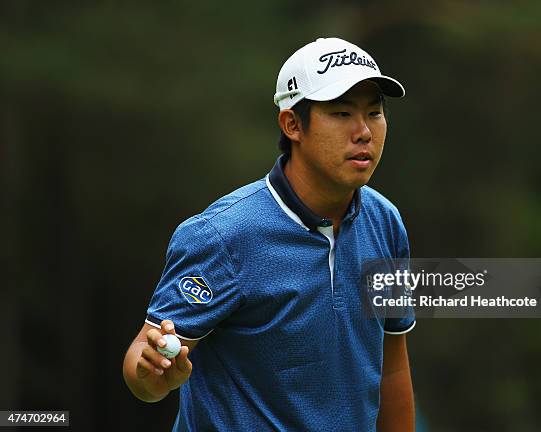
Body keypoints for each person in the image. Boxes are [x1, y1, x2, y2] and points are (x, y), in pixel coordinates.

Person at [123, 37, 416, 432]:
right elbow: (145, 360)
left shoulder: (385, 223)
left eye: (375, 113)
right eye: (342, 113)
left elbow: (392, 369)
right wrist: (154, 373)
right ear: (292, 124)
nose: (363, 131)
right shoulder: (222, 235)